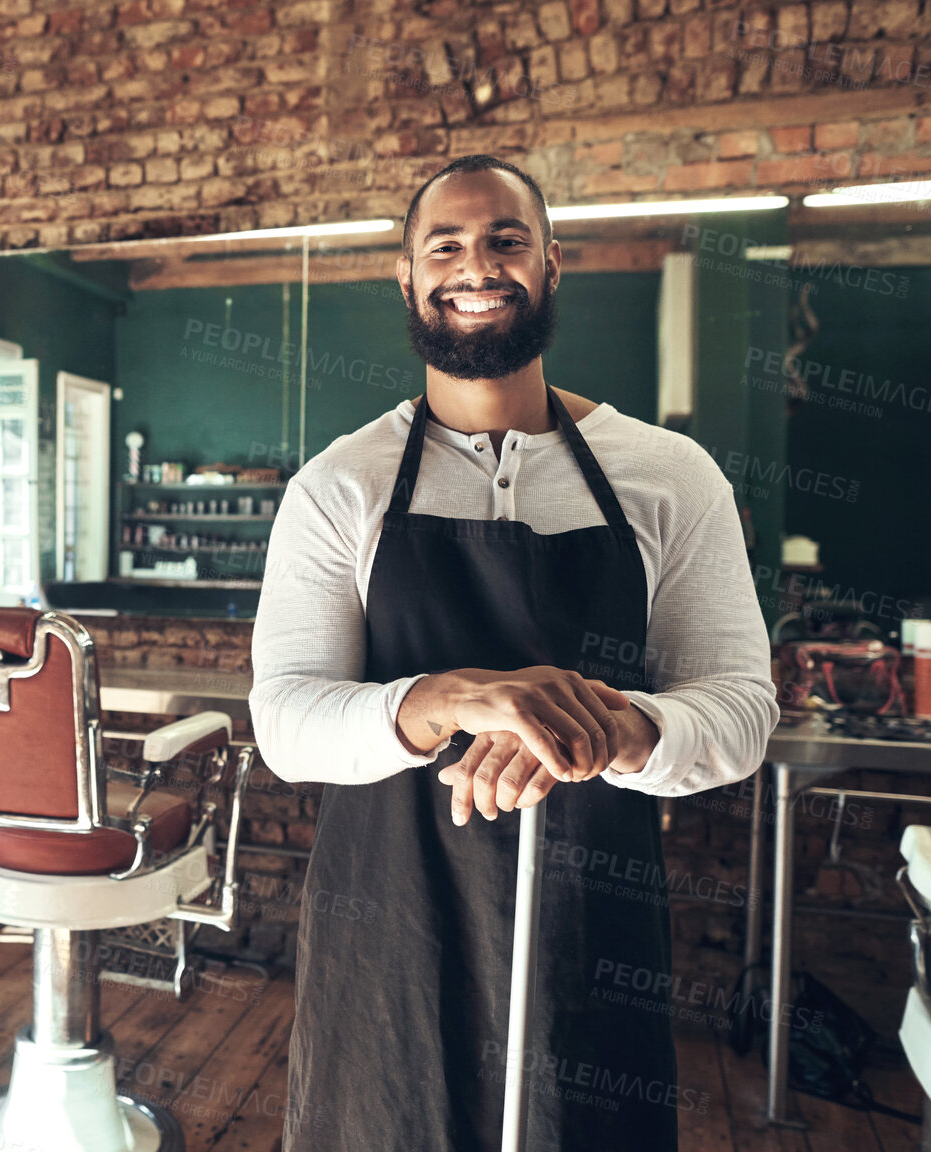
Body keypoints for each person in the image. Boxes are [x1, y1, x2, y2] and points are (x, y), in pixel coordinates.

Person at [249, 155, 780, 1150]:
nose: (475, 265)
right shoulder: (339, 486)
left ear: (551, 264)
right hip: (389, 931)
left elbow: (742, 710)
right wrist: (452, 700)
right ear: (405, 279)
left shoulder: (669, 475)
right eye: (443, 246)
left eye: (504, 240)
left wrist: (612, 726)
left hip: (590, 927)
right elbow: (284, 719)